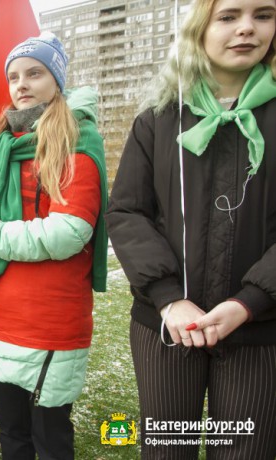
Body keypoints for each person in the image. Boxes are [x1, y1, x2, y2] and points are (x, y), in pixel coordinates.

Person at [106, 0, 276, 458]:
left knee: (246, 451)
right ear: (199, 29)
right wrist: (168, 297)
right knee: (167, 449)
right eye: (228, 16)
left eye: (263, 15)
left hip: (258, 331)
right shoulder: (158, 119)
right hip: (167, 328)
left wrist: (250, 301)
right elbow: (126, 212)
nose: (246, 28)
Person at [0, 33, 107, 460]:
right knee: (11, 434)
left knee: (50, 439)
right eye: (14, 76)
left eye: (34, 73)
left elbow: (67, 232)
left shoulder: (77, 141)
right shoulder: (2, 142)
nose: (21, 84)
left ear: (57, 78)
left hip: (47, 321)